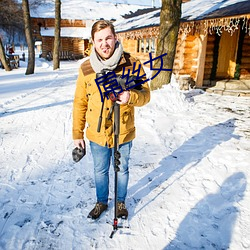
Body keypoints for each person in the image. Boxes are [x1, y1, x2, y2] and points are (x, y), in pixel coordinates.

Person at [72, 20, 150, 220]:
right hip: (97, 133)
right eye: (99, 40)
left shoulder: (132, 63)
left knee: (122, 168)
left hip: (123, 130)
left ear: (115, 38)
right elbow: (80, 102)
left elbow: (146, 95)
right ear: (93, 42)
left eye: (108, 38)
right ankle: (101, 202)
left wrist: (130, 97)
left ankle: (121, 202)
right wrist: (77, 134)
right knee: (100, 170)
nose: (104, 43)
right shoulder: (87, 68)